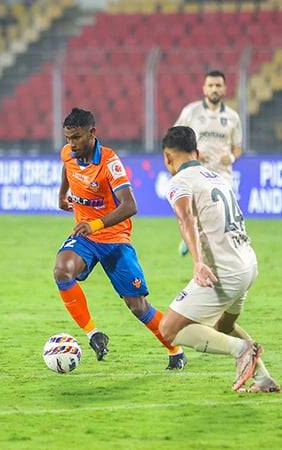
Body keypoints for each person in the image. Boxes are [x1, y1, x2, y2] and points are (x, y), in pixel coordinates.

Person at [53, 108, 187, 370]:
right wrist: (62, 194)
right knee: (62, 270)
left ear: (92, 134)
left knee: (138, 307)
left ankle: (175, 350)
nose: (71, 144)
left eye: (77, 138)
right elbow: (66, 168)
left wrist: (94, 224)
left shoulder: (109, 162)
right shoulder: (68, 153)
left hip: (114, 238)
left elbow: (129, 205)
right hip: (86, 239)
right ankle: (93, 334)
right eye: (68, 138)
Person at [158, 126, 279, 393]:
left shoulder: (179, 182)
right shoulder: (217, 177)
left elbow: (185, 217)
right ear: (197, 153)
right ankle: (264, 379)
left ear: (168, 157)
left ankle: (241, 350)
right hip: (248, 264)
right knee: (225, 325)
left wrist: (197, 262)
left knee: (169, 330)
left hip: (223, 272)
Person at [174, 70, 243, 256]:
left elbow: (237, 147)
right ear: (204, 88)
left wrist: (232, 157)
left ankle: (203, 249)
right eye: (211, 85)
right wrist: (192, 152)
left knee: (218, 217)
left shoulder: (232, 117)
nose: (214, 89)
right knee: (196, 214)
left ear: (225, 89)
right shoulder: (191, 112)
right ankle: (195, 236)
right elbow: (175, 139)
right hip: (196, 173)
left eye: (218, 85)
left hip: (222, 176)